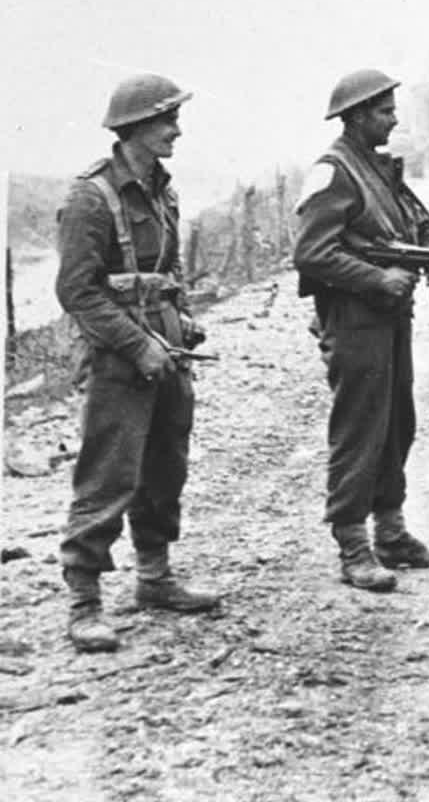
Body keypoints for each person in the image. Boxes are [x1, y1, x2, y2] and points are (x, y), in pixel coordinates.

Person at [56, 73, 220, 652]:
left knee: (165, 466)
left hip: (168, 349)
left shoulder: (162, 190)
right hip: (119, 358)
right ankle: (84, 603)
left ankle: (154, 578)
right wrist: (138, 345)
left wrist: (184, 323)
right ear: (133, 129)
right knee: (108, 474)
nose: (176, 130)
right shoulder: (90, 198)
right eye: (165, 120)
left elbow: (166, 274)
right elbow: (78, 292)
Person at [293, 69, 429, 593]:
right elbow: (312, 253)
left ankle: (391, 533)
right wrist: (376, 277)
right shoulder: (334, 171)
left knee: (396, 425)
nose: (394, 118)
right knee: (360, 429)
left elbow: (417, 220)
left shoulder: (380, 171)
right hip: (355, 319)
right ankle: (353, 545)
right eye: (384, 111)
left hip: (389, 317)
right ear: (358, 115)